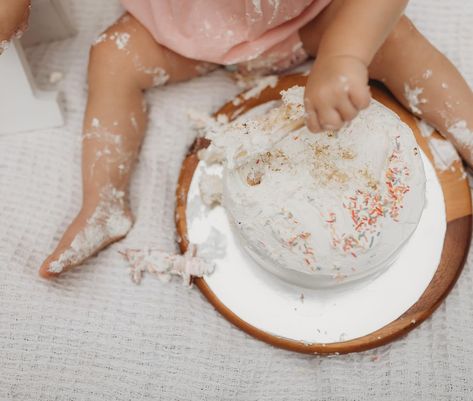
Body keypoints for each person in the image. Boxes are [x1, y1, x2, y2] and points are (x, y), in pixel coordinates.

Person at [38, 0, 473, 278]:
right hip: (190, 31)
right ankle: (103, 202)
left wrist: (346, 54)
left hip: (311, 17)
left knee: (397, 40)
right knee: (112, 57)